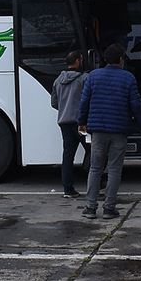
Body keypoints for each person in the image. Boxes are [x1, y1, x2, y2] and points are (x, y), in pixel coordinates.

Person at [78, 44, 141, 220]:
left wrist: (81, 122)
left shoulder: (93, 76)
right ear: (120, 60)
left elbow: (84, 101)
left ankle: (90, 207)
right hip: (119, 130)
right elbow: (135, 105)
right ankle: (109, 208)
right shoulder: (128, 78)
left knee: (95, 168)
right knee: (114, 169)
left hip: (97, 130)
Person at [51, 50, 88, 198]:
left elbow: (54, 103)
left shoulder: (58, 80)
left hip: (64, 122)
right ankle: (96, 183)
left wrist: (65, 108)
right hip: (81, 123)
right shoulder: (84, 78)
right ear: (78, 61)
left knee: (68, 156)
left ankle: (68, 189)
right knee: (94, 152)